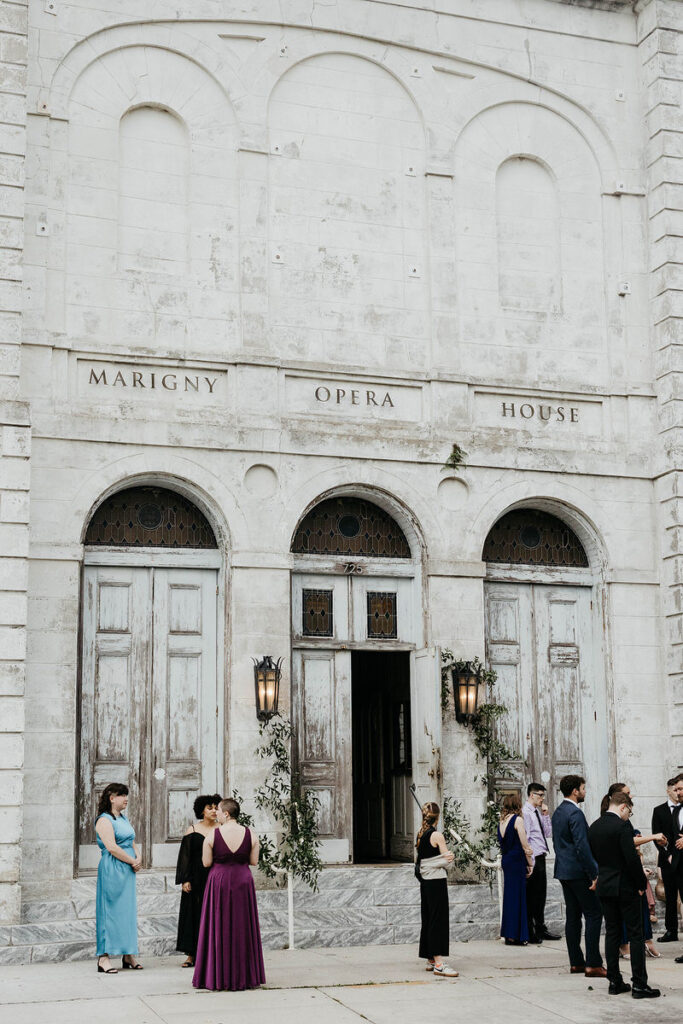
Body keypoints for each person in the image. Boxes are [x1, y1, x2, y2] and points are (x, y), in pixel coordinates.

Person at [588, 791, 660, 999]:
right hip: (626, 886)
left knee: (612, 933)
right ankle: (639, 984)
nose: (629, 815)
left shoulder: (594, 827)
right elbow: (630, 859)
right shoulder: (621, 827)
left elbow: (596, 856)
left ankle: (614, 981)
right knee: (635, 934)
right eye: (629, 810)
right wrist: (640, 884)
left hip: (606, 885)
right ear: (622, 807)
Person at [192, 797, 266, 991]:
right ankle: (245, 977)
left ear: (226, 813)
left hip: (220, 882)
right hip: (243, 881)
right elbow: (254, 861)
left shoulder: (213, 835)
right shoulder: (251, 834)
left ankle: (218, 975)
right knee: (243, 927)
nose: (216, 814)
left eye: (218, 811)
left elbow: (206, 863)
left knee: (218, 926)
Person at [551, 774, 605, 978]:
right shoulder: (575, 813)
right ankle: (593, 963)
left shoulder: (558, 812)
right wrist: (594, 873)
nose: (585, 792)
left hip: (564, 870)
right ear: (575, 791)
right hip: (579, 871)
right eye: (583, 788)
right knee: (593, 913)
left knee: (573, 916)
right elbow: (582, 846)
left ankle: (576, 962)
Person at [94, 782, 142, 974]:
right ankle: (103, 957)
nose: (126, 799)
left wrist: (139, 857)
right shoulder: (104, 820)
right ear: (112, 798)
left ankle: (128, 954)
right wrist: (132, 860)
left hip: (128, 869)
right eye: (122, 795)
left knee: (127, 912)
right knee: (109, 911)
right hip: (113, 868)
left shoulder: (123, 818)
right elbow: (112, 847)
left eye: (126, 795)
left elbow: (131, 840)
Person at [175, 792, 222, 967]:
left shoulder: (221, 829)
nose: (214, 810)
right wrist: (184, 879)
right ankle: (191, 954)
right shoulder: (192, 830)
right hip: (195, 877)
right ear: (201, 811)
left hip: (215, 875)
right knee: (193, 914)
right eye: (210, 807)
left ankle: (212, 953)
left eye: (216, 807)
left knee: (214, 913)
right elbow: (184, 857)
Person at [416, 801, 458, 977]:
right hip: (436, 881)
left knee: (428, 917)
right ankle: (439, 963)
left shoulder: (420, 835)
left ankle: (430, 959)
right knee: (437, 920)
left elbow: (421, 861)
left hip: (425, 882)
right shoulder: (437, 836)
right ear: (437, 817)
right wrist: (448, 858)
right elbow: (448, 863)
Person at [522, 783, 560, 943]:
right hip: (534, 858)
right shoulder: (526, 813)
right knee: (532, 896)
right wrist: (529, 861)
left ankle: (541, 927)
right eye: (540, 795)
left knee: (541, 895)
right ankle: (531, 930)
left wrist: (545, 815)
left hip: (541, 856)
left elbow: (548, 833)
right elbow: (526, 838)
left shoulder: (537, 812)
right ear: (532, 795)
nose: (543, 798)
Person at [498, 792, 534, 945]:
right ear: (517, 805)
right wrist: (530, 862)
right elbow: (525, 844)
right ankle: (518, 935)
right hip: (517, 860)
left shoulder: (501, 821)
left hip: (507, 860)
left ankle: (509, 934)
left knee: (509, 897)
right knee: (519, 897)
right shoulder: (517, 820)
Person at [652, 773, 683, 942]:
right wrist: (668, 855)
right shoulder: (659, 811)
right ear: (668, 791)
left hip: (682, 859)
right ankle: (671, 931)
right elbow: (657, 837)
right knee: (670, 897)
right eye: (675, 789)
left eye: (679, 789)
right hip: (667, 860)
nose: (677, 793)